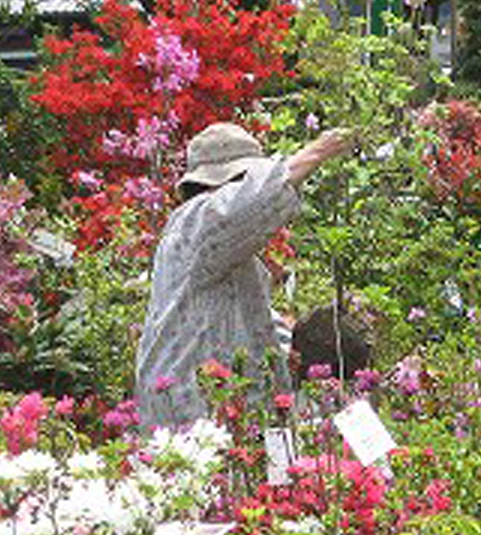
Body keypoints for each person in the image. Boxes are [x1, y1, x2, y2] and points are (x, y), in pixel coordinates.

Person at [136, 122, 355, 430]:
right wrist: (322, 149)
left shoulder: (220, 249)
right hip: (191, 412)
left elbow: (248, 318)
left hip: (206, 405)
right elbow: (251, 202)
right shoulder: (197, 221)